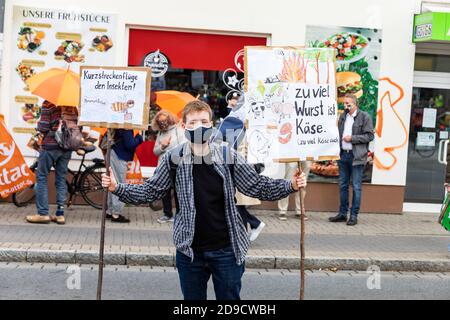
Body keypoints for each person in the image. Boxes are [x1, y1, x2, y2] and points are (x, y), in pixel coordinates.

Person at [101, 100, 307, 300]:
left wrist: (290, 185)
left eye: (203, 121)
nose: (199, 126)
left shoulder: (229, 156)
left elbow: (256, 186)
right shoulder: (172, 158)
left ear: (212, 124)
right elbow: (150, 191)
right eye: (192, 122)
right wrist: (117, 187)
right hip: (190, 252)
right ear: (184, 126)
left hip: (227, 249)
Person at [26, 101, 78, 225]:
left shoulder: (49, 104)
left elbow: (43, 127)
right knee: (61, 179)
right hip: (66, 148)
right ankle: (60, 215)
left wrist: (39, 123)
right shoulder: (72, 107)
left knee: (42, 176)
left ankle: (43, 213)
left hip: (50, 146)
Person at [329, 93, 374, 226]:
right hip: (343, 155)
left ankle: (353, 215)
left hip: (357, 156)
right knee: (343, 185)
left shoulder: (364, 117)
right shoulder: (343, 116)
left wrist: (352, 139)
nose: (346, 105)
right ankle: (342, 214)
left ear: (355, 104)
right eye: (344, 103)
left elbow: (370, 136)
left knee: (356, 186)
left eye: (349, 103)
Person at [152, 110, 186, 223]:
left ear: (169, 119)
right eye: (160, 121)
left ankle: (179, 215)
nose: (163, 123)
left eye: (164, 121)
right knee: (164, 190)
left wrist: (168, 147)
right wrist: (162, 146)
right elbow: (155, 151)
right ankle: (167, 214)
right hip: (163, 166)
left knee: (178, 190)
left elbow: (184, 146)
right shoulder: (160, 133)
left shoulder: (178, 130)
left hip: (177, 166)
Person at [106, 129, 143, 223]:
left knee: (112, 183)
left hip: (113, 154)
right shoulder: (126, 127)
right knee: (119, 184)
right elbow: (130, 145)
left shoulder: (119, 125)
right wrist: (139, 138)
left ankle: (110, 211)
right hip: (119, 157)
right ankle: (116, 214)